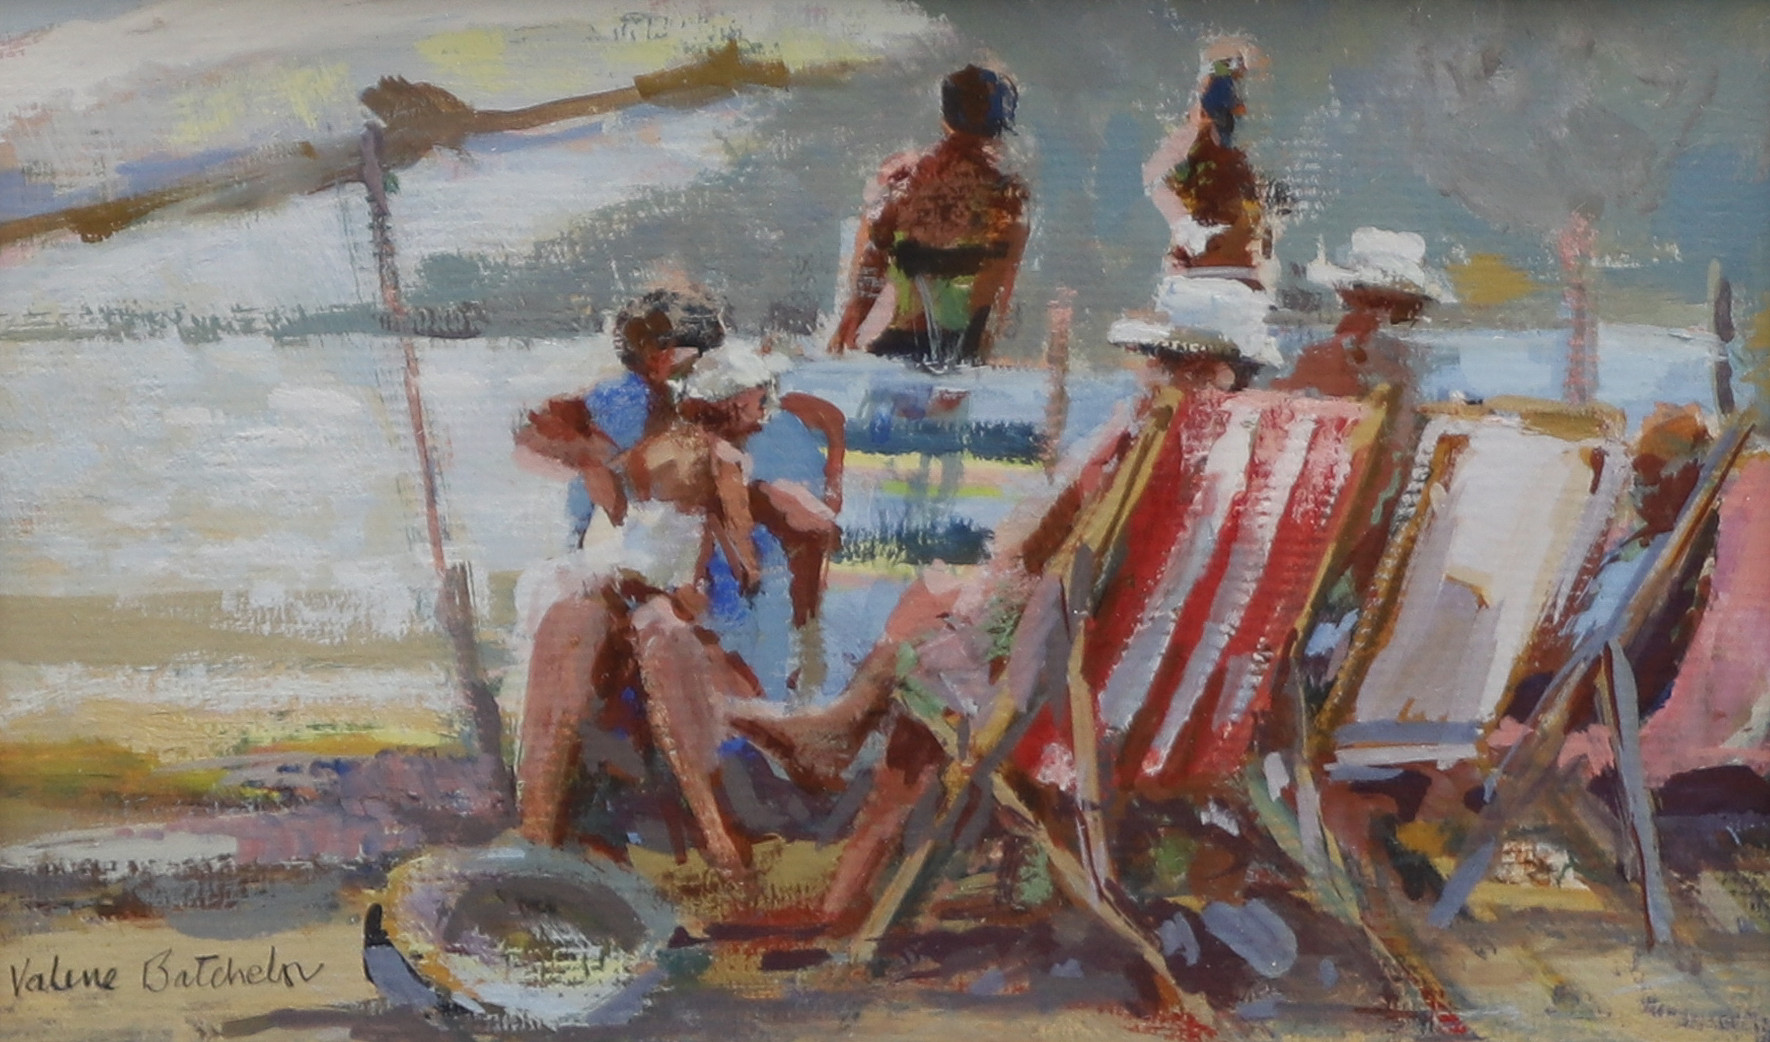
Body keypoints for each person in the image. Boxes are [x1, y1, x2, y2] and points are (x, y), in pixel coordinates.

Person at [512, 291, 843, 876]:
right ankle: (534, 838)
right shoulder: (629, 410)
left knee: (660, 631)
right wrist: (593, 460)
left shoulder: (753, 425)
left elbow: (808, 534)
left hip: (718, 633)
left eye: (668, 354)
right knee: (574, 616)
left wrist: (750, 505)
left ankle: (718, 834)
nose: (657, 369)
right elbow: (536, 430)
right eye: (648, 357)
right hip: (631, 603)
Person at [830, 65, 1030, 369]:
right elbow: (991, 305)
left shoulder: (905, 188)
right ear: (998, 132)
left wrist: (845, 332)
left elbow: (869, 275)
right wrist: (976, 360)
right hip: (960, 354)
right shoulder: (1008, 203)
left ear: (945, 121)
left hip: (895, 350)